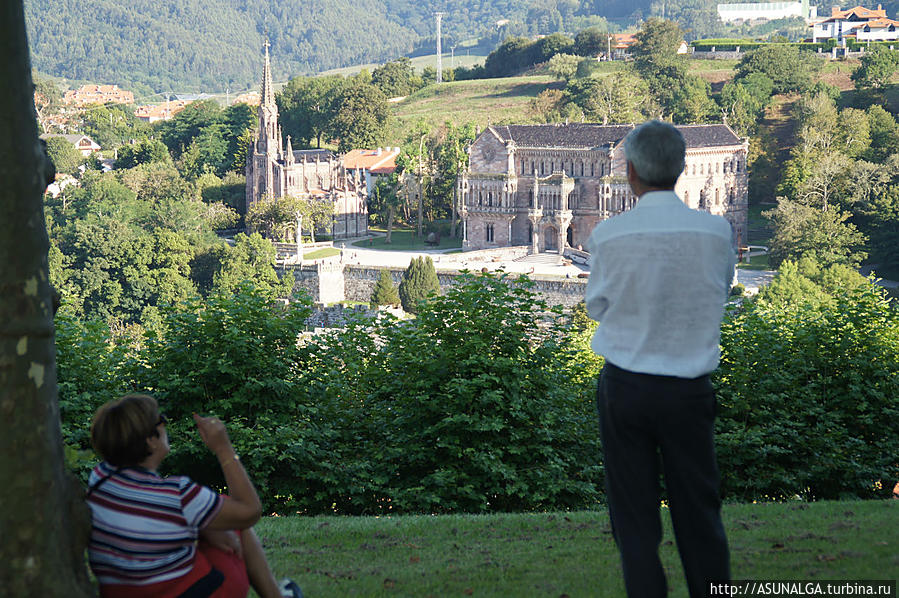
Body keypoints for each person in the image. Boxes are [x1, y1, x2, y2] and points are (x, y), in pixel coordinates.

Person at [585, 120, 734, 597]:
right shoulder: (716, 233)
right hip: (690, 389)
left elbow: (597, 308)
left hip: (626, 388)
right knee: (699, 510)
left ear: (629, 172)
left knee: (634, 517)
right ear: (682, 168)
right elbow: (719, 291)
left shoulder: (609, 237)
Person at [86, 393, 303, 598]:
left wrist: (204, 528)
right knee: (230, 513)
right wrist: (223, 447)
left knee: (214, 517)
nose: (165, 424)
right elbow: (250, 511)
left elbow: (143, 519)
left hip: (127, 591)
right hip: (199, 592)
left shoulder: (99, 478)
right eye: (161, 419)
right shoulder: (177, 494)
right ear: (150, 440)